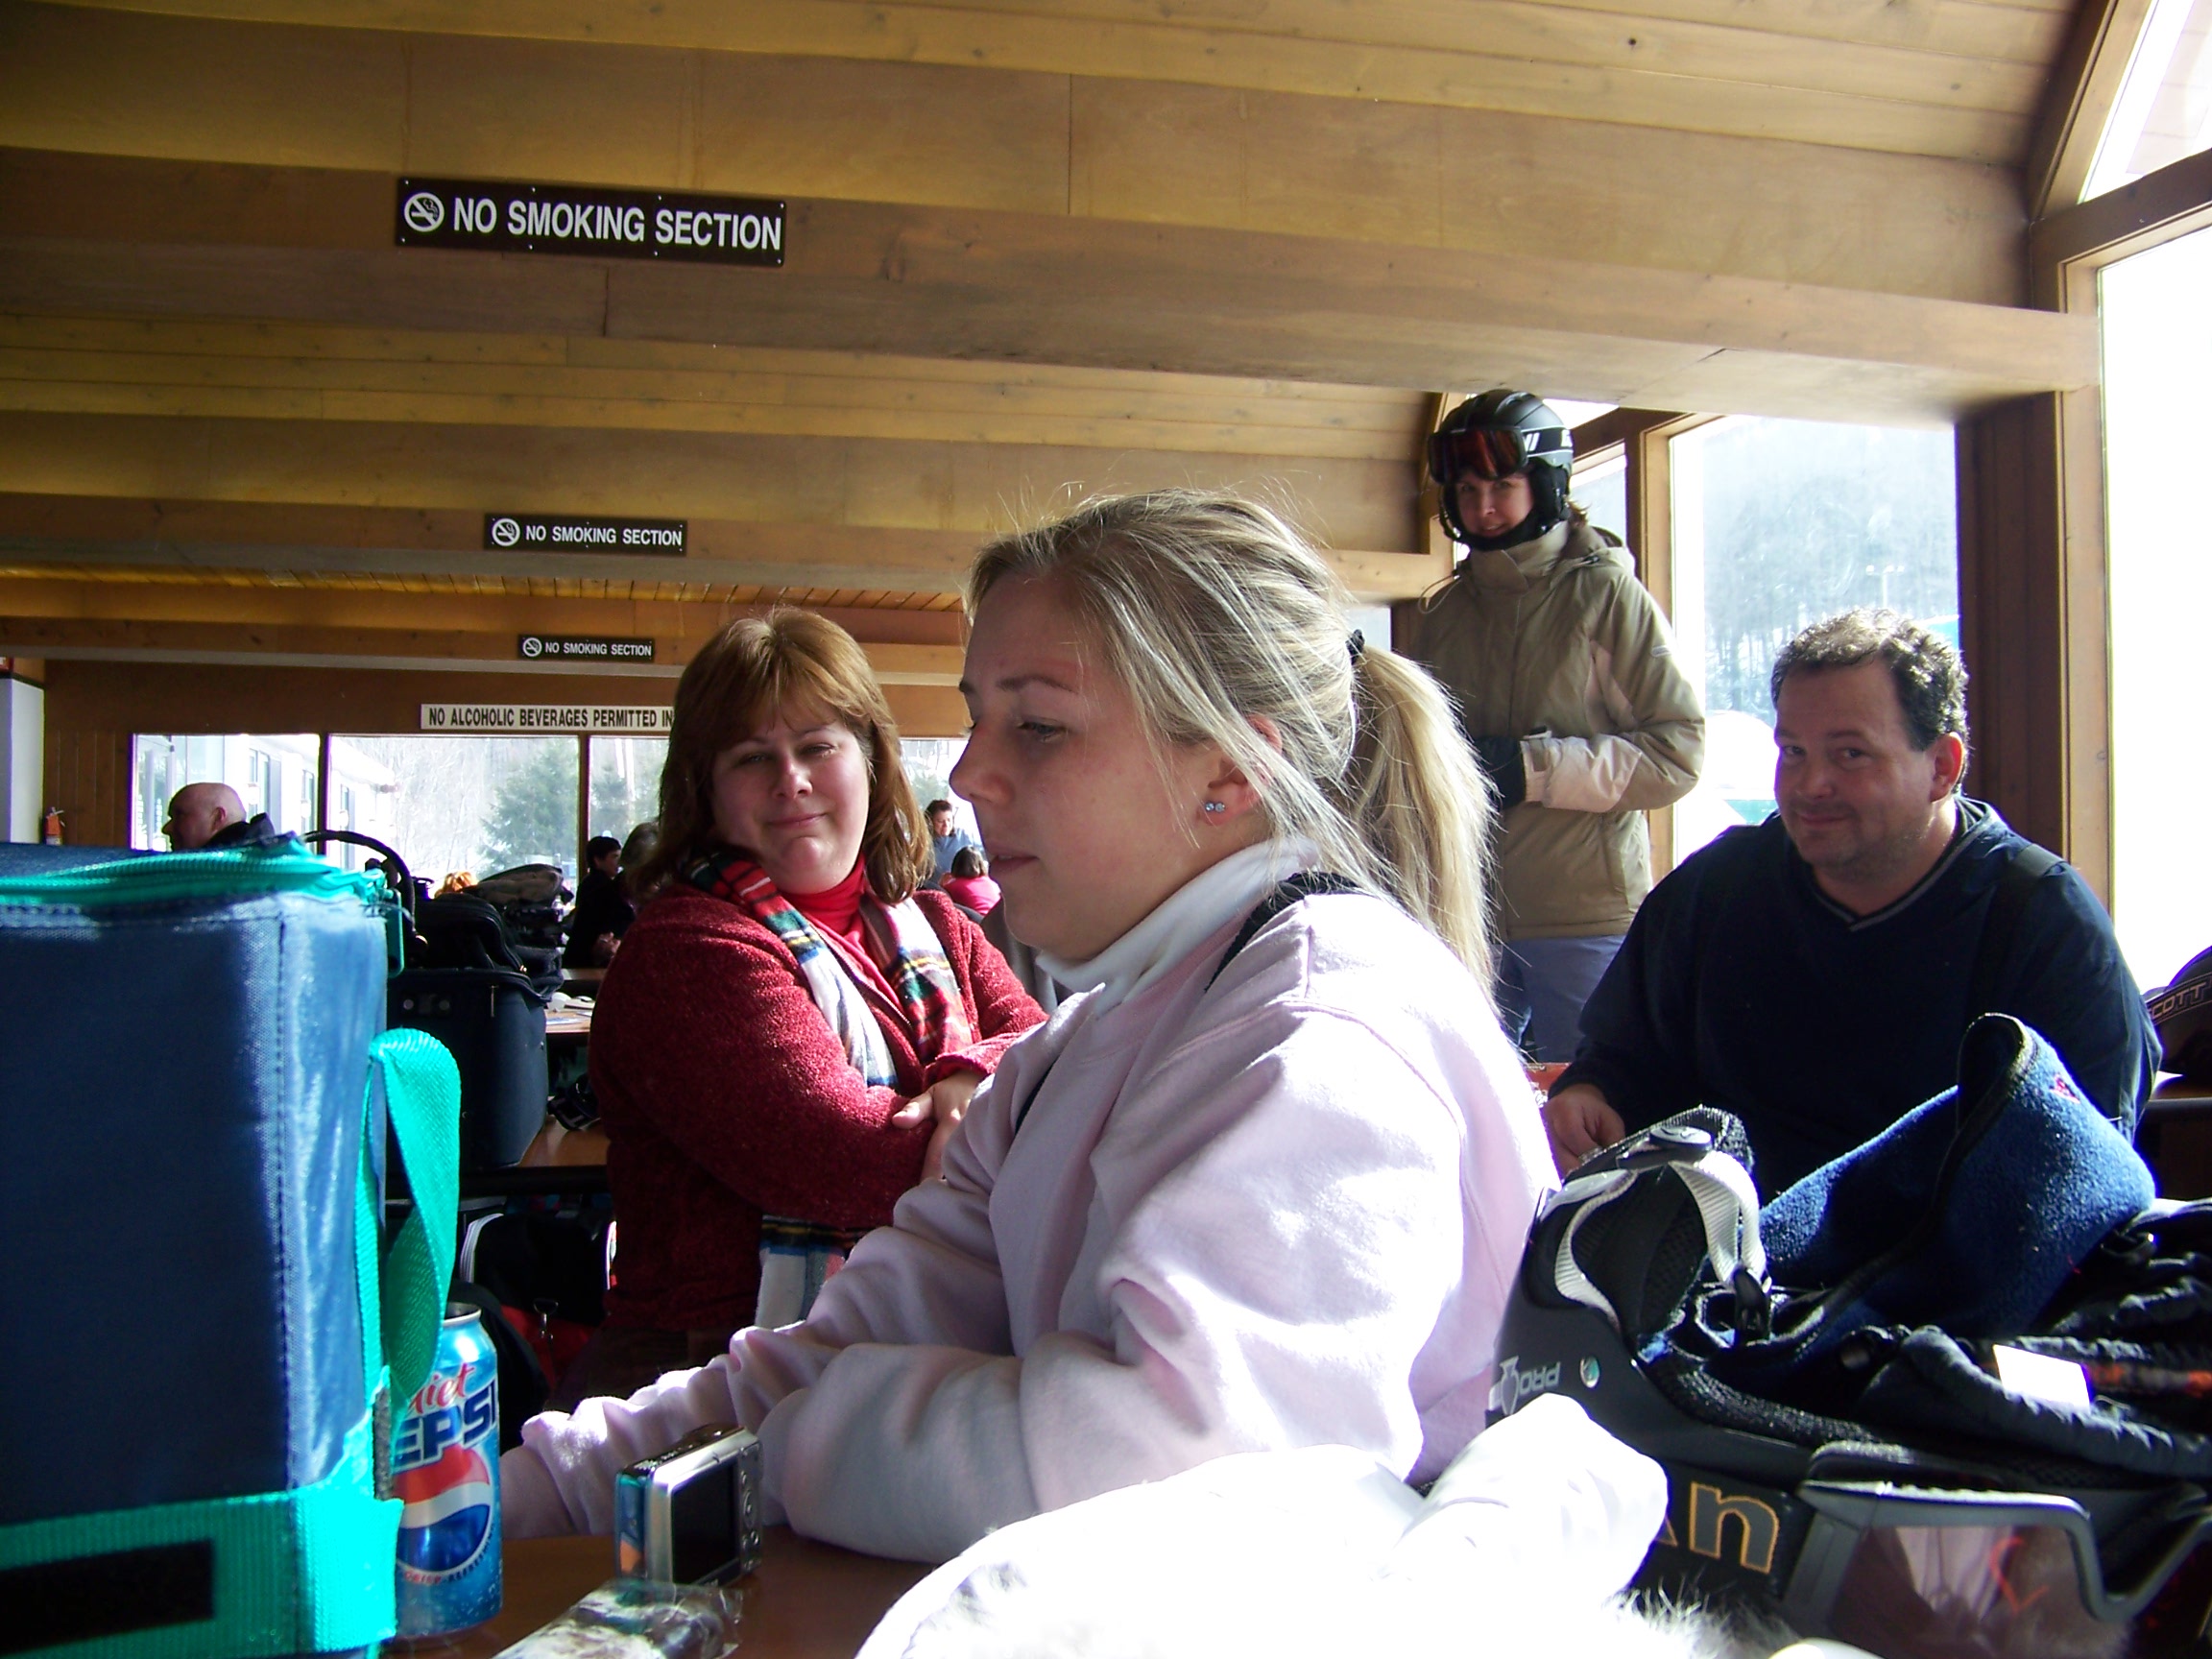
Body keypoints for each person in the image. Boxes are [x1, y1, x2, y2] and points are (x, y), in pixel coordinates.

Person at [503, 490, 1555, 1565]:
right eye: (977, 718)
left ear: (1230, 772)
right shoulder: (1085, 1043)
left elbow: (1180, 1478)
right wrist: (537, 1488)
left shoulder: (1320, 1040)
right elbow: (848, 1341)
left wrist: (816, 1437)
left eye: (1038, 726)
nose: (966, 774)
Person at [549, 611, 1046, 1407]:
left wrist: (967, 1072)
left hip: (911, 1365)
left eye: (818, 747)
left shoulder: (941, 924)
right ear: (706, 790)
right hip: (706, 1394)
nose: (792, 781)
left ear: (872, 759)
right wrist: (1011, 1095)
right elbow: (853, 1160)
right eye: (753, 758)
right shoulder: (688, 949)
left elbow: (1052, 1053)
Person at [1544, 608, 2158, 1196]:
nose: (1811, 785)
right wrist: (1589, 1096)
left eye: (1850, 754)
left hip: (1943, 1260)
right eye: (1794, 752)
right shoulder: (1714, 892)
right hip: (1725, 1247)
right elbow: (1621, 1062)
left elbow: (2084, 1168)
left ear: (1942, 767)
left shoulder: (2039, 919)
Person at [1395, 391, 1704, 1062]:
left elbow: (1677, 752)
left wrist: (1533, 770)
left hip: (1583, 914)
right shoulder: (1444, 615)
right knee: (1466, 1101)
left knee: (1593, 1097)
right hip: (1466, 907)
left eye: (1502, 486)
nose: (1483, 507)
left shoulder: (1606, 595)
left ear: (1545, 484)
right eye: (1468, 489)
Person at [562, 833, 635, 967]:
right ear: (598, 860)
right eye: (614, 856)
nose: (619, 862)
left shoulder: (590, 883)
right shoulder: (601, 888)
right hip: (587, 962)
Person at [162, 781, 273, 851]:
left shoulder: (221, 873)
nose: (166, 829)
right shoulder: (263, 866)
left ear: (217, 818)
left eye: (180, 816)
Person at [926, 797, 979, 881]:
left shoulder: (963, 836)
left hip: (961, 884)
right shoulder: (924, 842)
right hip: (932, 887)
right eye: (940, 821)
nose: (946, 825)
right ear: (930, 822)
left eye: (949, 820)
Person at [939, 846, 1000, 916]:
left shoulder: (953, 886)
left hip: (978, 919)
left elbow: (940, 899)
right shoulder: (991, 882)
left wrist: (942, 883)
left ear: (956, 864)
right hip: (998, 918)